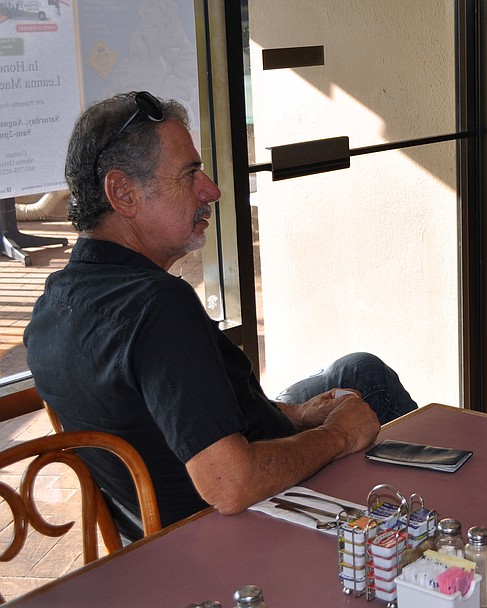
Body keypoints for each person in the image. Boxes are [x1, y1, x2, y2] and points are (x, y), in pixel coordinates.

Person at [23, 91, 418, 542]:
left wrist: (296, 414)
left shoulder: (54, 302)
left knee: (357, 370)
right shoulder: (158, 306)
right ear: (123, 194)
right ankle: (421, 537)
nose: (210, 190)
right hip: (240, 532)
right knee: (371, 396)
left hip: (151, 525)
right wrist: (338, 436)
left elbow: (171, 410)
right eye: (189, 174)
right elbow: (231, 485)